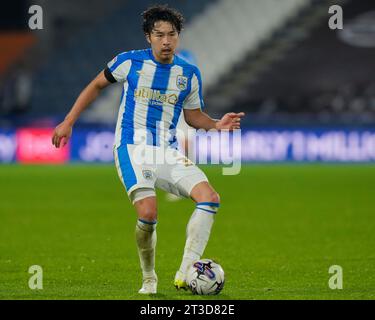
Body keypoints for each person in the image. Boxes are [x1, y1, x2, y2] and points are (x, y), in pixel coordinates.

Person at [52, 4, 244, 294]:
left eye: (172, 35)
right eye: (159, 35)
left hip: (167, 151)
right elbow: (95, 86)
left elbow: (193, 117)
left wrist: (217, 125)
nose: (166, 41)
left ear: (178, 36)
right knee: (149, 213)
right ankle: (149, 277)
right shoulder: (128, 63)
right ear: (148, 37)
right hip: (132, 148)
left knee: (210, 197)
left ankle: (184, 273)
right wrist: (68, 121)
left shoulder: (188, 73)